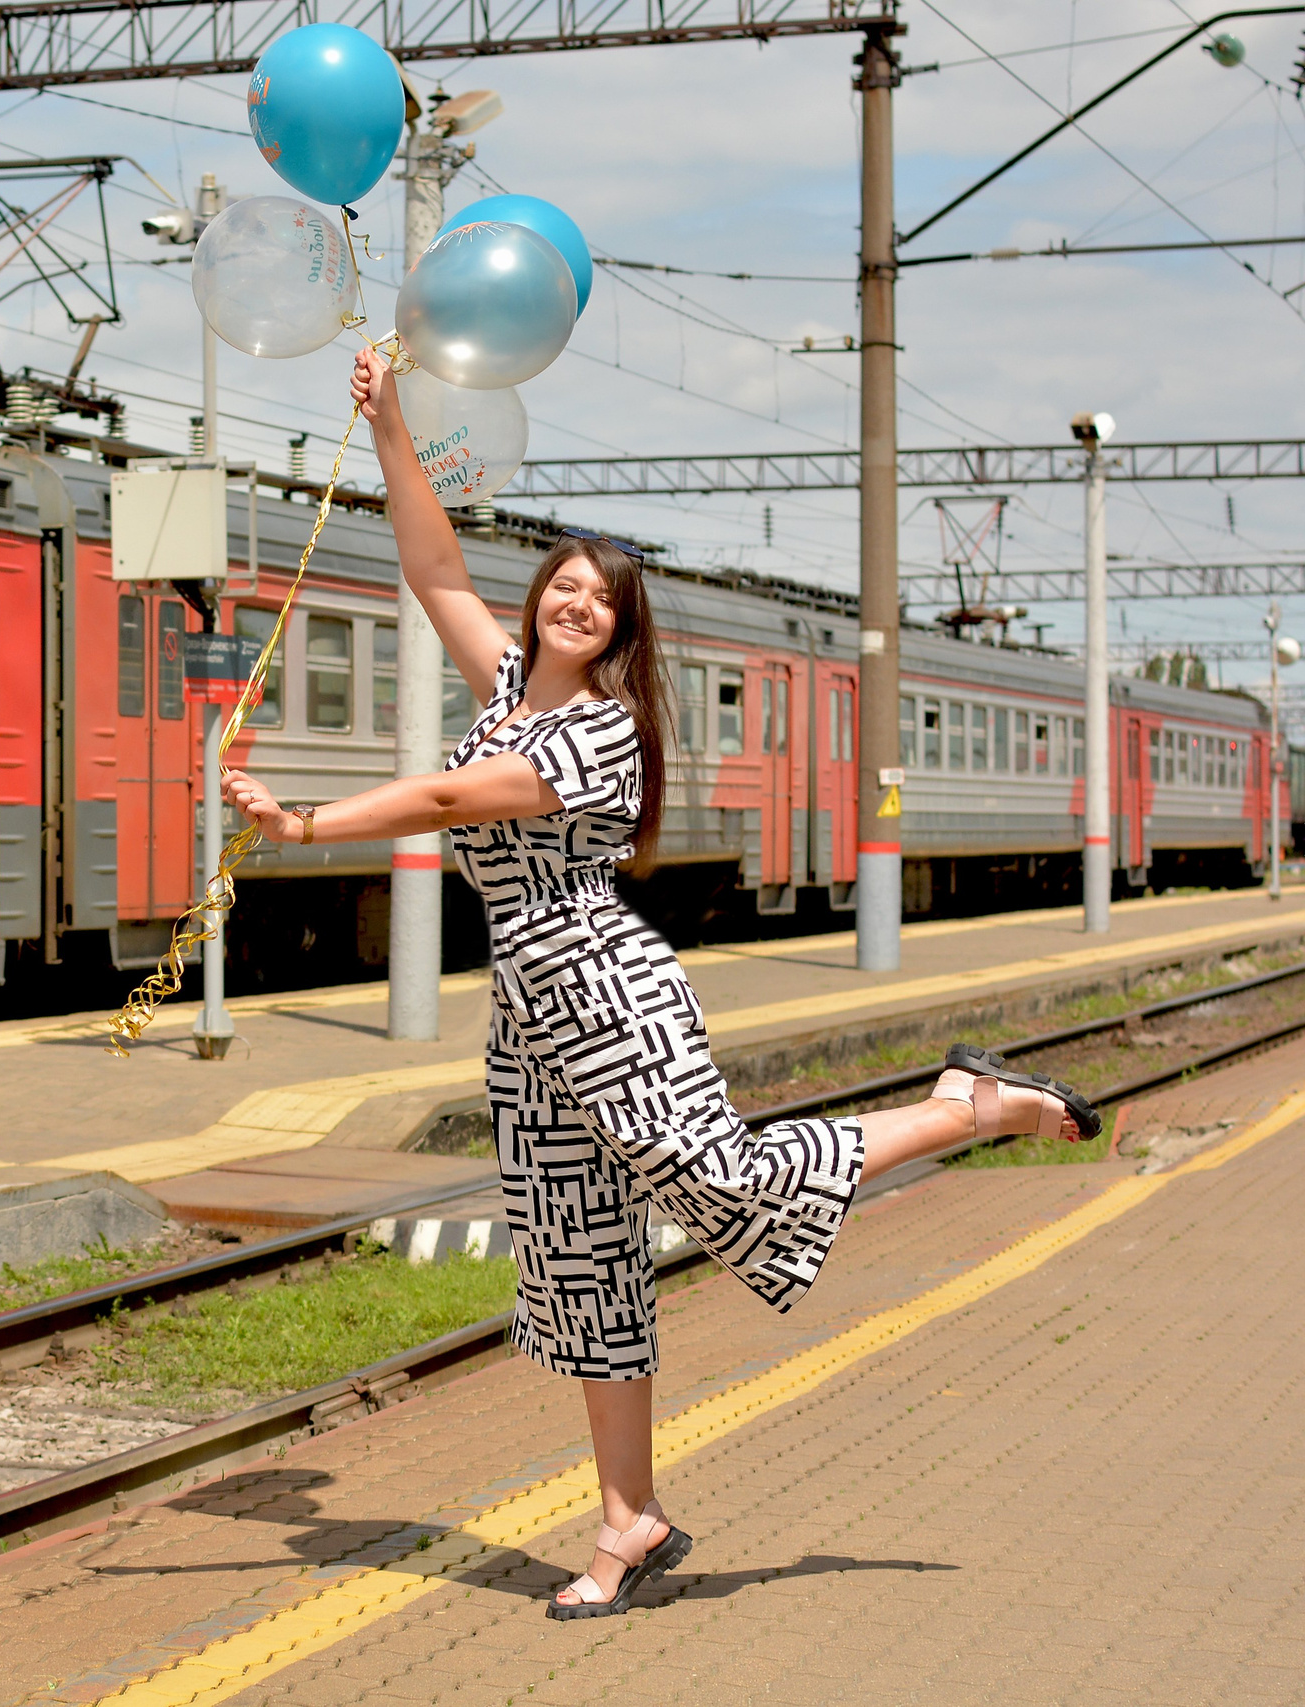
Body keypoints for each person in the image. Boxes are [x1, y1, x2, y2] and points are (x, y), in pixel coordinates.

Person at [219, 347, 1099, 1620]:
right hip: (526, 1009)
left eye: (599, 598)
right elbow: (431, 566)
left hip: (602, 980)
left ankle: (963, 1107)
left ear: (622, 629)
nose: (574, 604)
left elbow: (463, 798)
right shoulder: (503, 692)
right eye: (560, 587)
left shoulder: (602, 730)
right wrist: (389, 422)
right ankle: (628, 1518)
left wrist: (308, 825)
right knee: (582, 1262)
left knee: (717, 1178)